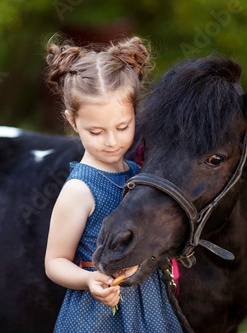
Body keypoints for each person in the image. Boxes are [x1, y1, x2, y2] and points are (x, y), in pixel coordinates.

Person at [44, 35, 182, 332]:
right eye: (95, 131)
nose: (111, 141)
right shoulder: (79, 190)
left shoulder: (138, 174)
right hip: (99, 313)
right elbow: (55, 261)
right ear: (72, 120)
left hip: (150, 304)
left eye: (123, 127)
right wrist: (88, 279)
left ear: (135, 114)